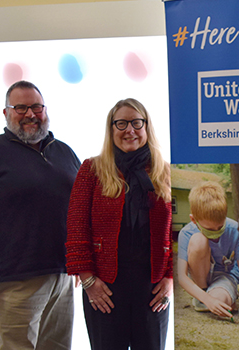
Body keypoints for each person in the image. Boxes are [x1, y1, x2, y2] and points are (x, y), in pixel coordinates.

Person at [0, 80, 80, 349]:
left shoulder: (64, 152)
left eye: (36, 107)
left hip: (63, 278)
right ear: (6, 113)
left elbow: (81, 210)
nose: (30, 114)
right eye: (20, 108)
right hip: (14, 281)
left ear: (45, 110)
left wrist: (84, 262)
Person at [65, 98, 172, 350]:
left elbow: (174, 233)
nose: (129, 130)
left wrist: (169, 278)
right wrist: (88, 280)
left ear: (146, 127)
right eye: (121, 123)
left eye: (136, 122)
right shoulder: (91, 169)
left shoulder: (164, 172)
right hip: (105, 285)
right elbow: (77, 226)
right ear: (111, 129)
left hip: (152, 287)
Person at [177, 181, 239, 319]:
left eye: (220, 227)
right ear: (194, 220)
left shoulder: (235, 229)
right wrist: (207, 299)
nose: (216, 232)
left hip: (224, 276)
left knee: (220, 303)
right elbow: (182, 276)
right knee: (199, 240)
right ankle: (203, 294)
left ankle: (223, 293)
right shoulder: (186, 233)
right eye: (209, 229)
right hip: (200, 277)